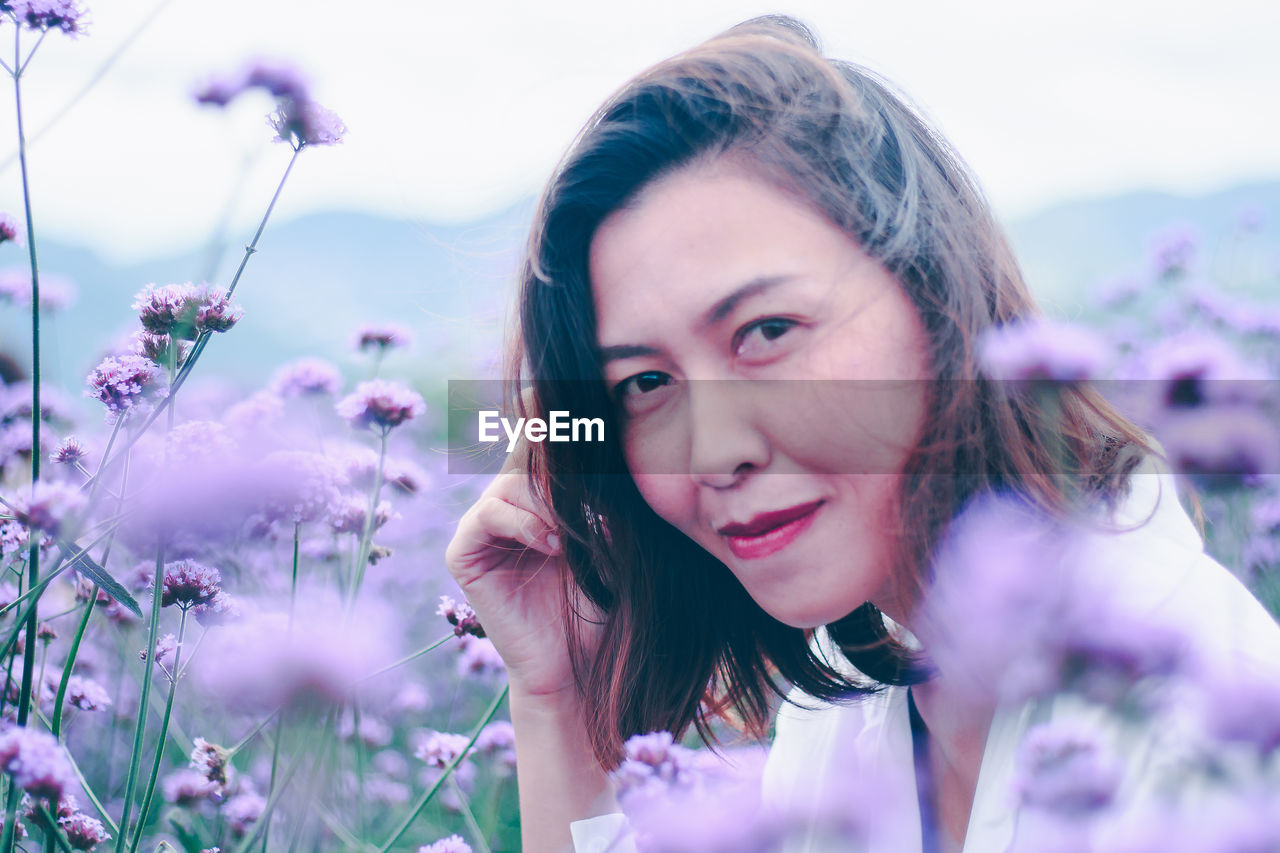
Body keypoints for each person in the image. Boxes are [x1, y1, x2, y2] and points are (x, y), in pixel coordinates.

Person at [445, 15, 1280, 853]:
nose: (714, 447)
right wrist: (556, 695)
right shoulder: (849, 698)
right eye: (646, 385)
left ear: (934, 303)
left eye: (767, 332)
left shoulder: (1195, 729)